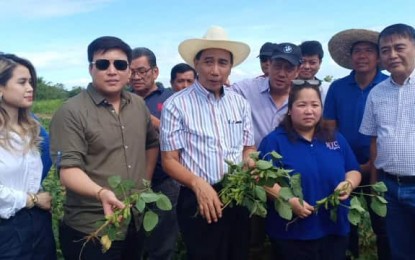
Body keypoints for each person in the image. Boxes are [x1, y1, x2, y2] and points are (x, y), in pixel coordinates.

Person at [49, 36, 159, 260]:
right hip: (92, 228)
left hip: (132, 222)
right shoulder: (71, 111)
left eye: (120, 64)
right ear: (91, 68)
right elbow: (68, 170)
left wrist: (143, 185)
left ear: (128, 71)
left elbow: (151, 143)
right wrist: (101, 193)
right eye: (103, 64)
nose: (112, 70)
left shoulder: (137, 105)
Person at [160, 25, 256, 260]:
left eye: (222, 63)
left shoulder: (239, 103)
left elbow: (248, 148)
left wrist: (249, 166)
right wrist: (198, 184)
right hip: (197, 197)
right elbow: (169, 160)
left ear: (230, 67)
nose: (215, 70)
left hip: (236, 193)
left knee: (238, 253)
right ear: (196, 64)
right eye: (208, 62)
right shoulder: (176, 105)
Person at [259, 80, 361, 260]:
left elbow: (353, 169)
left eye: (315, 105)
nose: (309, 111)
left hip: (334, 227)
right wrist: (287, 200)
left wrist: (349, 184)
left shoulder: (335, 137)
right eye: (302, 105)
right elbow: (262, 180)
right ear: (290, 109)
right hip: (293, 231)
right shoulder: (274, 141)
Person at [324, 28, 390, 260]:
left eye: (368, 51)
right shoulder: (338, 87)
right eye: (357, 51)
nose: (362, 56)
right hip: (344, 168)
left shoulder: (389, 86)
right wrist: (347, 165)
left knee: (383, 224)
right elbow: (330, 129)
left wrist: (372, 164)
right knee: (344, 221)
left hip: (380, 167)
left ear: (378, 57)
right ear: (351, 57)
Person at [359, 23, 415, 260]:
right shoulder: (377, 92)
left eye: (399, 47)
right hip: (389, 187)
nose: (392, 55)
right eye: (385, 50)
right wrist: (374, 186)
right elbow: (374, 141)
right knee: (398, 251)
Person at [0, 53, 56, 259]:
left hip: (38, 223)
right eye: (22, 82)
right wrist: (31, 199)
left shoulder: (31, 128)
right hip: (6, 230)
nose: (30, 88)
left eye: (31, 82)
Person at [129, 47, 179, 260]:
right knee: (132, 241)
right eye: (131, 72)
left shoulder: (171, 99)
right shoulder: (121, 99)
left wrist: (148, 118)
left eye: (142, 71)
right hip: (128, 183)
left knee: (162, 242)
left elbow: (183, 135)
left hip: (163, 182)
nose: (136, 77)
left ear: (155, 72)